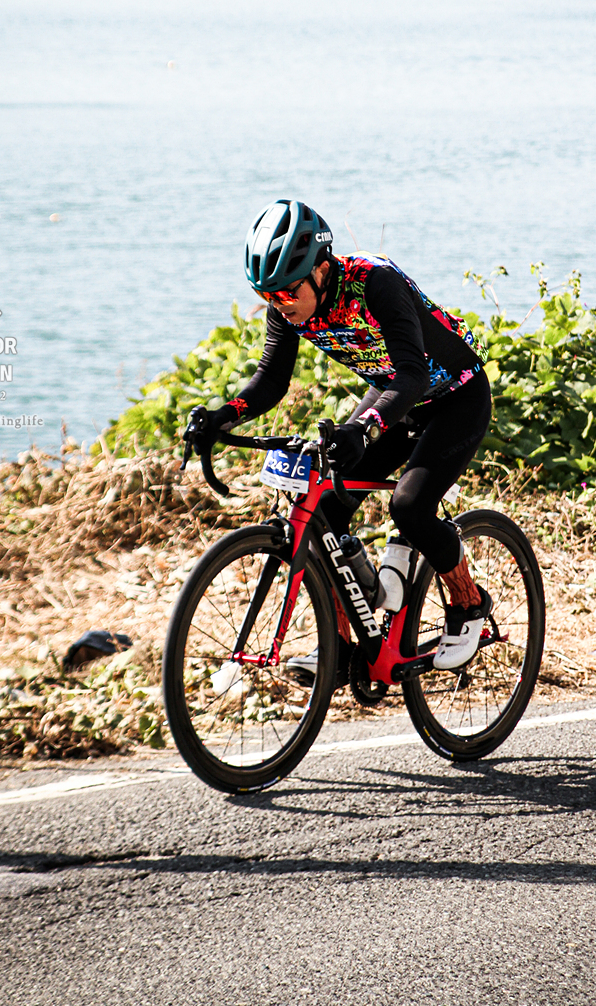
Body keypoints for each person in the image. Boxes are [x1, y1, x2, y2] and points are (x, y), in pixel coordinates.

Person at [187, 199, 494, 679]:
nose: (279, 305)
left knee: (410, 506)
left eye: (286, 292)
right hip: (395, 397)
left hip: (456, 396)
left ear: (320, 269)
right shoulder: (289, 306)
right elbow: (272, 379)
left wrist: (364, 428)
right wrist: (223, 417)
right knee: (325, 511)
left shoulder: (376, 284)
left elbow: (413, 374)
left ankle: (468, 603)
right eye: (266, 296)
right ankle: (342, 648)